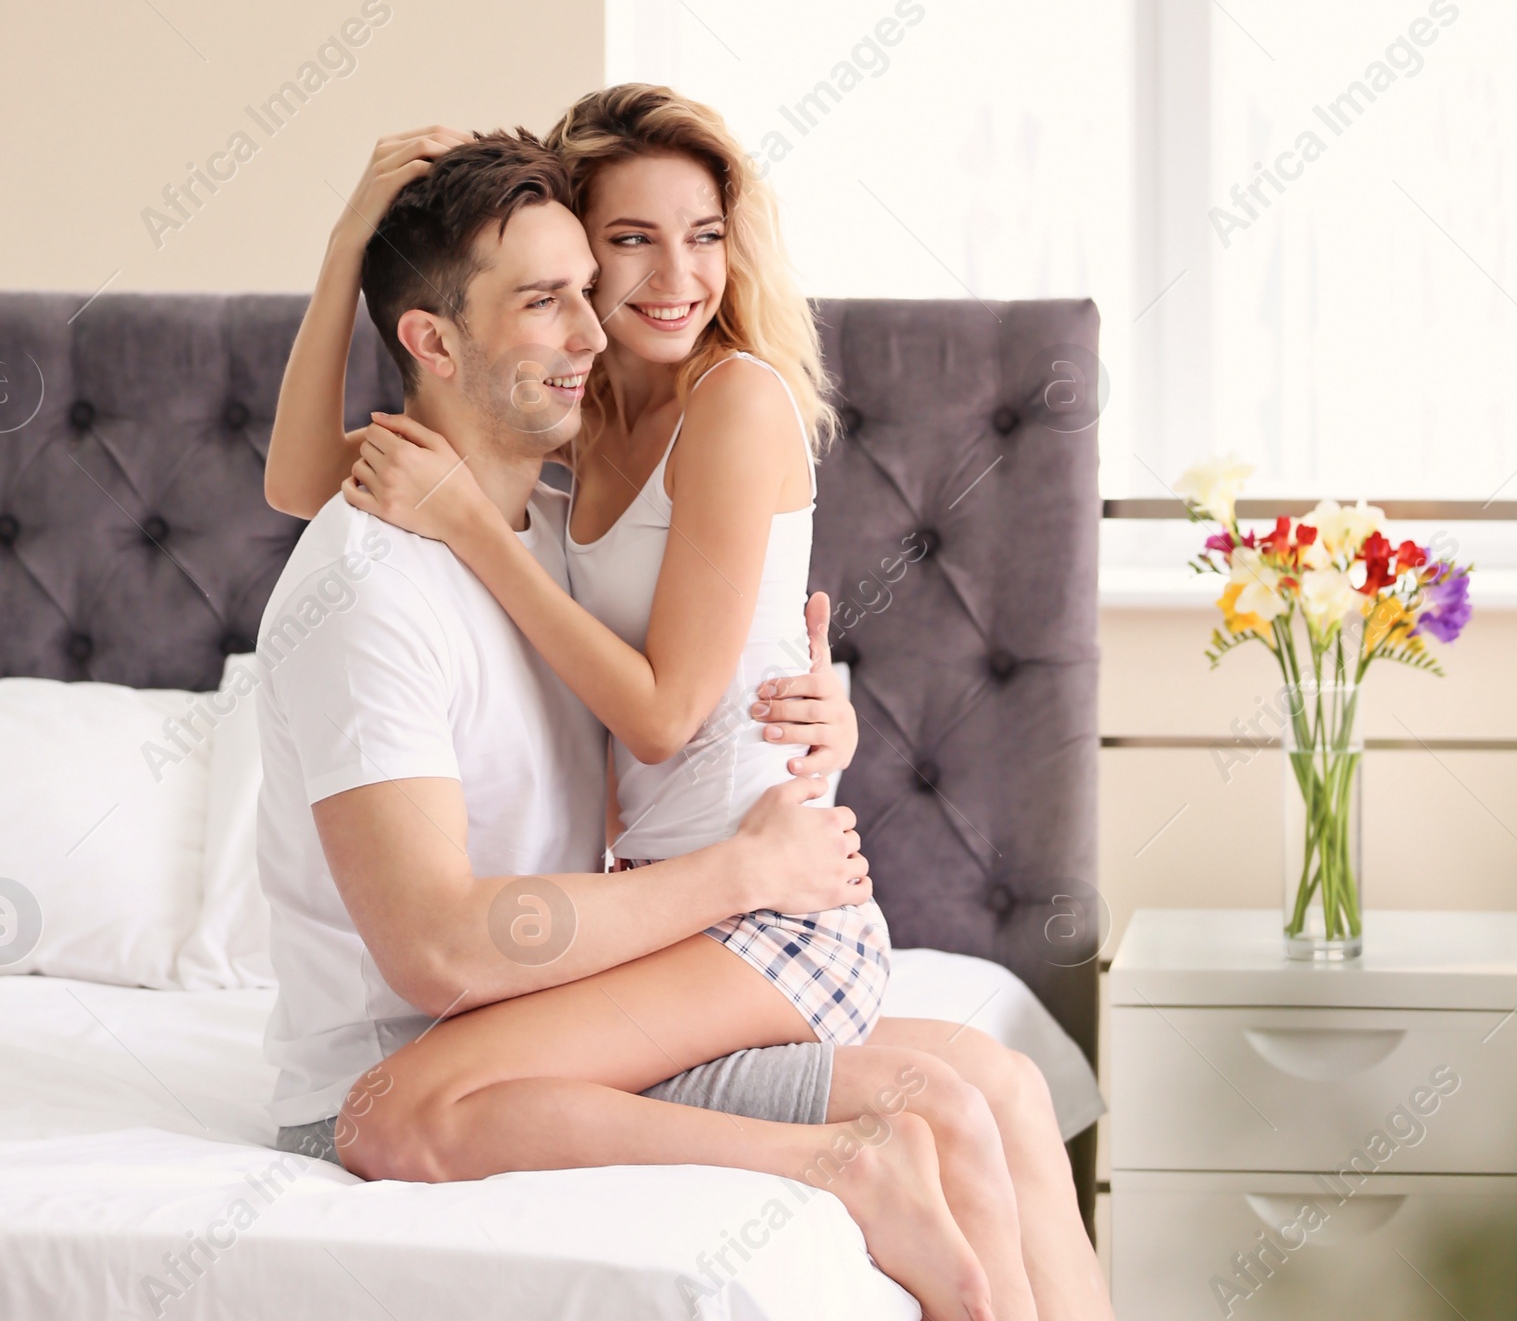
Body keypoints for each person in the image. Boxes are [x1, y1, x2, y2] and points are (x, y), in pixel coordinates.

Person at [264, 122, 1114, 1321]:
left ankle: (872, 1180)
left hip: (727, 914)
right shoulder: (530, 491)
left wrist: (783, 768)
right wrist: (352, 245)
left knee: (954, 1096)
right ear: (437, 339)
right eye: (609, 258)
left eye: (702, 237)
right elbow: (302, 489)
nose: (662, 282)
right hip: (607, 951)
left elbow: (669, 709)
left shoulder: (534, 496)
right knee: (979, 1088)